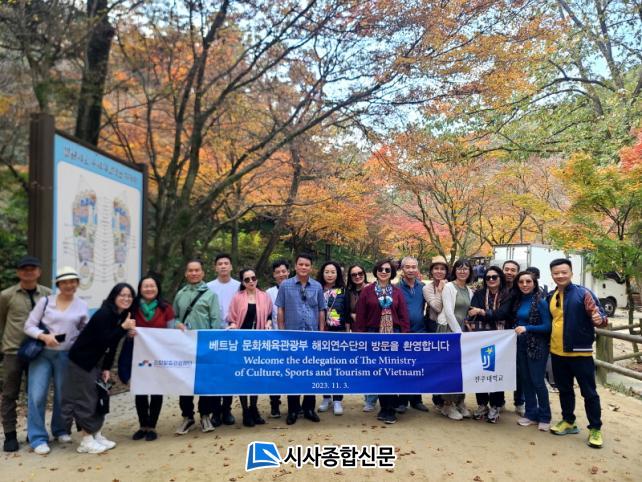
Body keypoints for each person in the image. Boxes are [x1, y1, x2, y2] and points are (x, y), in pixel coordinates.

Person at [61, 282, 136, 454]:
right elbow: (104, 340)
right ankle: (86, 440)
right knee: (86, 399)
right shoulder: (105, 314)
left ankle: (95, 434)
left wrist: (107, 367)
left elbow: (112, 345)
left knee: (98, 397)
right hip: (82, 361)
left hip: (97, 362)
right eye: (122, 295)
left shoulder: (120, 315)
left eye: (129, 296)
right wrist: (122, 328)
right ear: (114, 296)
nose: (126, 298)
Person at [22, 266, 88, 455]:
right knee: (37, 395)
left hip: (66, 355)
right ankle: (37, 437)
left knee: (63, 396)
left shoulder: (81, 305)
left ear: (77, 283)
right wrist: (44, 336)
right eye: (64, 282)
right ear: (58, 284)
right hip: (42, 354)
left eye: (72, 281)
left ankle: (60, 429)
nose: (69, 285)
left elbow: (85, 329)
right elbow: (29, 326)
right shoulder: (45, 301)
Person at [547, 258, 607, 448]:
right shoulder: (551, 296)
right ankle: (568, 421)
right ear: (552, 275)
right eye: (556, 273)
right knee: (564, 390)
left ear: (571, 273)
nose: (560, 275)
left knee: (589, 393)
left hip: (580, 353)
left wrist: (599, 319)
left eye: (564, 272)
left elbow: (601, 316)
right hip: (557, 353)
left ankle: (595, 428)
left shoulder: (583, 293)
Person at [0, 256, 52, 452]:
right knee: (9, 394)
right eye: (24, 269)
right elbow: (2, 321)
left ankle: (34, 432)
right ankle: (10, 435)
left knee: (36, 394)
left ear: (39, 272)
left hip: (38, 352)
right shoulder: (6, 295)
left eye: (32, 269)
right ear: (18, 272)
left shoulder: (47, 294)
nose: (28, 272)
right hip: (13, 352)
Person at [354, 259, 409, 424]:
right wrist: (360, 337)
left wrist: (405, 335)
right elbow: (361, 316)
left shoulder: (397, 292)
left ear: (392, 273)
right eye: (380, 269)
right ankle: (385, 407)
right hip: (373, 335)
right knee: (379, 372)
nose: (383, 272)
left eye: (387, 270)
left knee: (391, 372)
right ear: (376, 271)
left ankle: (389, 409)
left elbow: (403, 316)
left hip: (394, 336)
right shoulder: (367, 291)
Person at [275, 253, 326, 425]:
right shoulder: (285, 285)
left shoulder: (317, 286)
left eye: (307, 265)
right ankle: (293, 409)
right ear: (295, 266)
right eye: (301, 264)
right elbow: (280, 309)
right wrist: (282, 332)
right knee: (293, 373)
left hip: (312, 336)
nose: (304, 267)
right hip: (292, 336)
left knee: (311, 373)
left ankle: (309, 408)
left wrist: (321, 332)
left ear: (311, 268)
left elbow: (321, 310)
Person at [173, 259, 222, 434]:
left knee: (205, 381)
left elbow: (216, 321)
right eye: (191, 270)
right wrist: (176, 324)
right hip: (184, 346)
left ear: (202, 273)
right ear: (186, 273)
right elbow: (173, 317)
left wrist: (213, 345)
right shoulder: (180, 294)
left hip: (205, 346)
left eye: (197, 270)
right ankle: (187, 416)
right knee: (184, 382)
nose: (194, 273)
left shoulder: (210, 295)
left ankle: (205, 415)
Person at [130, 274, 175, 441]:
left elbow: (171, 331)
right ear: (140, 289)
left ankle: (152, 426)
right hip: (138, 355)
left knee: (157, 389)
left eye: (152, 286)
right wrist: (128, 333)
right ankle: (142, 425)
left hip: (159, 355)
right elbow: (125, 327)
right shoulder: (133, 308)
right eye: (145, 286)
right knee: (140, 390)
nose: (149, 289)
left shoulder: (166, 308)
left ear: (157, 288)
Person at [227, 268, 272, 427]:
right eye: (247, 279)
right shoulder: (237, 297)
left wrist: (268, 323)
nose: (251, 281)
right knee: (243, 376)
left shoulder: (264, 296)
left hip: (258, 343)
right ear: (243, 282)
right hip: (242, 342)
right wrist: (233, 325)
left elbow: (269, 315)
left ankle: (254, 408)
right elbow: (232, 318)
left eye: (253, 278)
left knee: (255, 376)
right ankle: (245, 410)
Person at [467, 266, 511, 423]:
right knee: (481, 371)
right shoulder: (479, 294)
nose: (491, 280)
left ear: (500, 278)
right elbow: (472, 311)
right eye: (488, 277)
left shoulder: (508, 294)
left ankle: (496, 405)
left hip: (502, 340)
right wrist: (486, 313)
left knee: (497, 372)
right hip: (481, 338)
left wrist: (482, 312)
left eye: (494, 277)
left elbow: (503, 313)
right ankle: (482, 404)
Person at [512, 271, 552, 431]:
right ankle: (530, 414)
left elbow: (547, 326)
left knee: (537, 381)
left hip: (537, 346)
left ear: (534, 283)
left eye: (528, 281)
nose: (524, 285)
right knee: (526, 380)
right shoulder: (519, 300)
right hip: (521, 345)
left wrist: (527, 328)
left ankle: (545, 416)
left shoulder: (540, 302)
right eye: (521, 282)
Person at [206, 253, 240, 426]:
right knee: (215, 374)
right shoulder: (208, 287)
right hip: (214, 335)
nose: (223, 266)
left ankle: (226, 410)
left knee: (229, 373)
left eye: (226, 263)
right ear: (215, 267)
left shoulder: (239, 286)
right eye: (220, 263)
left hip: (234, 335)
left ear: (231, 266)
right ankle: (215, 411)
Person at [439, 258, 475, 420]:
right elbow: (448, 312)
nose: (462, 271)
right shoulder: (448, 287)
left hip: (462, 332)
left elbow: (467, 312)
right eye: (459, 268)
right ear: (454, 271)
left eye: (466, 268)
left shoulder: (469, 290)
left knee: (463, 369)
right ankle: (447, 405)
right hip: (449, 331)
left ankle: (460, 401)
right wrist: (458, 333)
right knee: (450, 369)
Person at [316, 261, 350, 415]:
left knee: (338, 367)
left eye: (333, 272)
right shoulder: (316, 289)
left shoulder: (344, 291)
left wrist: (347, 333)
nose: (329, 275)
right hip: (321, 332)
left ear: (338, 274)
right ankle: (326, 398)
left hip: (339, 332)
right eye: (327, 272)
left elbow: (347, 314)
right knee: (323, 367)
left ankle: (337, 400)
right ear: (322, 273)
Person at [396, 256, 429, 413]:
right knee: (404, 368)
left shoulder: (423, 287)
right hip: (402, 333)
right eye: (407, 267)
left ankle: (417, 400)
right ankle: (402, 401)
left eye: (413, 267)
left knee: (418, 367)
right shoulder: (395, 288)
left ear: (417, 269)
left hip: (420, 331)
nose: (410, 270)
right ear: (402, 269)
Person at [346, 264, 376, 412]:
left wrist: (358, 316)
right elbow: (346, 312)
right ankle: (368, 397)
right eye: (354, 274)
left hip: (372, 332)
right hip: (356, 334)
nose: (357, 276)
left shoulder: (373, 289)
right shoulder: (348, 292)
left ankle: (371, 399)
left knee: (373, 367)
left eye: (360, 273)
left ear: (364, 274)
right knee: (363, 367)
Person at [423, 255, 449, 411]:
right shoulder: (427, 288)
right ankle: (438, 399)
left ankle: (452, 399)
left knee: (450, 363)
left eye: (442, 269)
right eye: (436, 269)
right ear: (431, 271)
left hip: (451, 327)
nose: (439, 271)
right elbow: (437, 308)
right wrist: (440, 290)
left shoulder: (452, 285)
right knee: (436, 363)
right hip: (434, 326)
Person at [265, 259, 290, 418]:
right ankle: (274, 404)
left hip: (295, 338)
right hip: (275, 339)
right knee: (275, 374)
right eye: (278, 272)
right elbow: (267, 313)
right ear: (274, 275)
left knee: (294, 373)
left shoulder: (297, 288)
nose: (281, 274)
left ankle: (295, 406)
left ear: (288, 272)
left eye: (283, 271)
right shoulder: (269, 293)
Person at [503, 259, 525, 416]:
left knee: (519, 369)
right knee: (498, 367)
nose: (509, 272)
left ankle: (519, 402)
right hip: (499, 334)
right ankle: (499, 401)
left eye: (513, 270)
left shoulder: (522, 289)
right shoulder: (496, 286)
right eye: (507, 269)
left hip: (517, 333)